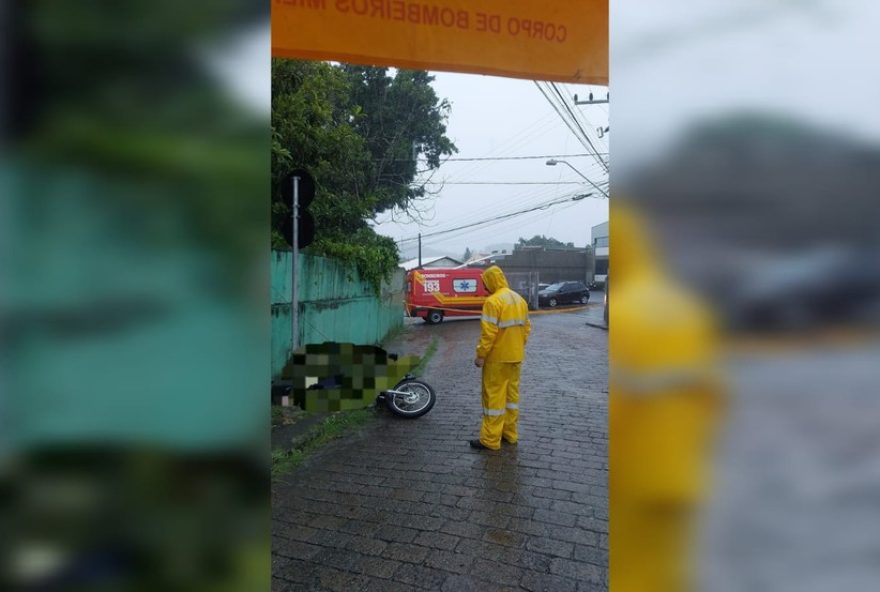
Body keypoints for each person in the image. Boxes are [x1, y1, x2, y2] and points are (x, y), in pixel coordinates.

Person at [470, 265, 531, 450]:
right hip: (516, 357)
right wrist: (517, 346)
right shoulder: (519, 300)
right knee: (511, 399)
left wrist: (481, 355)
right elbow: (526, 329)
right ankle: (509, 434)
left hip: (497, 359)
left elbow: (489, 334)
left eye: (485, 283)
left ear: (491, 281)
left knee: (494, 399)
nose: (485, 287)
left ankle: (490, 440)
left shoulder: (493, 302)